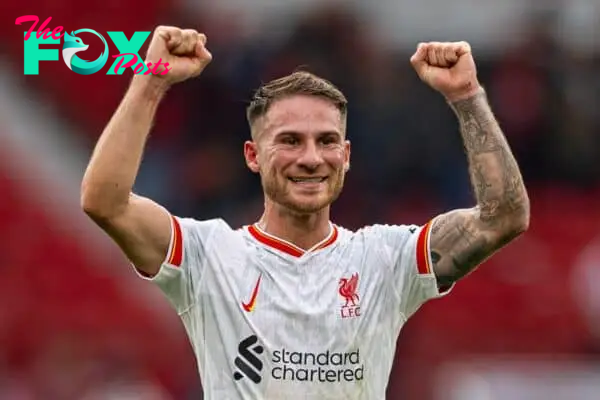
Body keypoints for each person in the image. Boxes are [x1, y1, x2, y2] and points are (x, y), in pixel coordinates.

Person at [81, 26, 530, 399]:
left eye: (327, 141)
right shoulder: (206, 255)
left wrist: (467, 95)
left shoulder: (386, 260)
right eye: (291, 141)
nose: (312, 158)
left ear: (347, 154)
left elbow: (503, 217)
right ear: (253, 155)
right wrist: (151, 80)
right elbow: (105, 201)